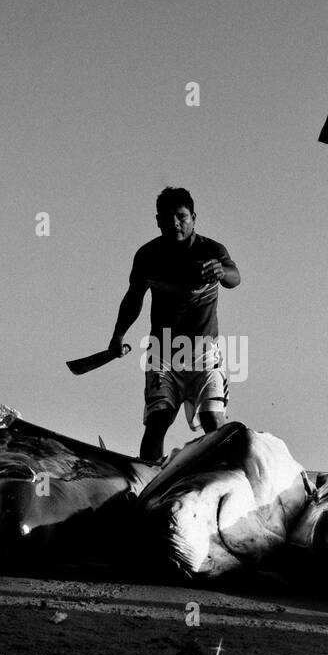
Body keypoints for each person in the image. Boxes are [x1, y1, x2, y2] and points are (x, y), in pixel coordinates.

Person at [109, 187, 241, 461]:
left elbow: (234, 277)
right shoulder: (147, 256)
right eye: (167, 218)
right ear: (158, 221)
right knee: (157, 422)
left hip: (205, 354)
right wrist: (118, 336)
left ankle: (221, 477)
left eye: (181, 216)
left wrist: (221, 271)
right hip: (163, 353)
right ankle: (146, 479)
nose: (175, 224)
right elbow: (134, 298)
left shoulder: (211, 250)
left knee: (213, 423)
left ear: (193, 217)